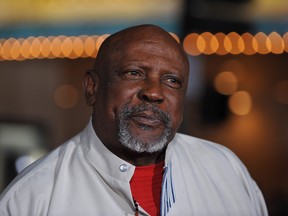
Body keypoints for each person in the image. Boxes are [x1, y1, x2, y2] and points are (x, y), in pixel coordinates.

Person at [0, 24, 268, 216]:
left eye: (172, 81)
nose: (154, 92)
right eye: (133, 73)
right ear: (92, 87)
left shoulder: (225, 169)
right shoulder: (31, 199)